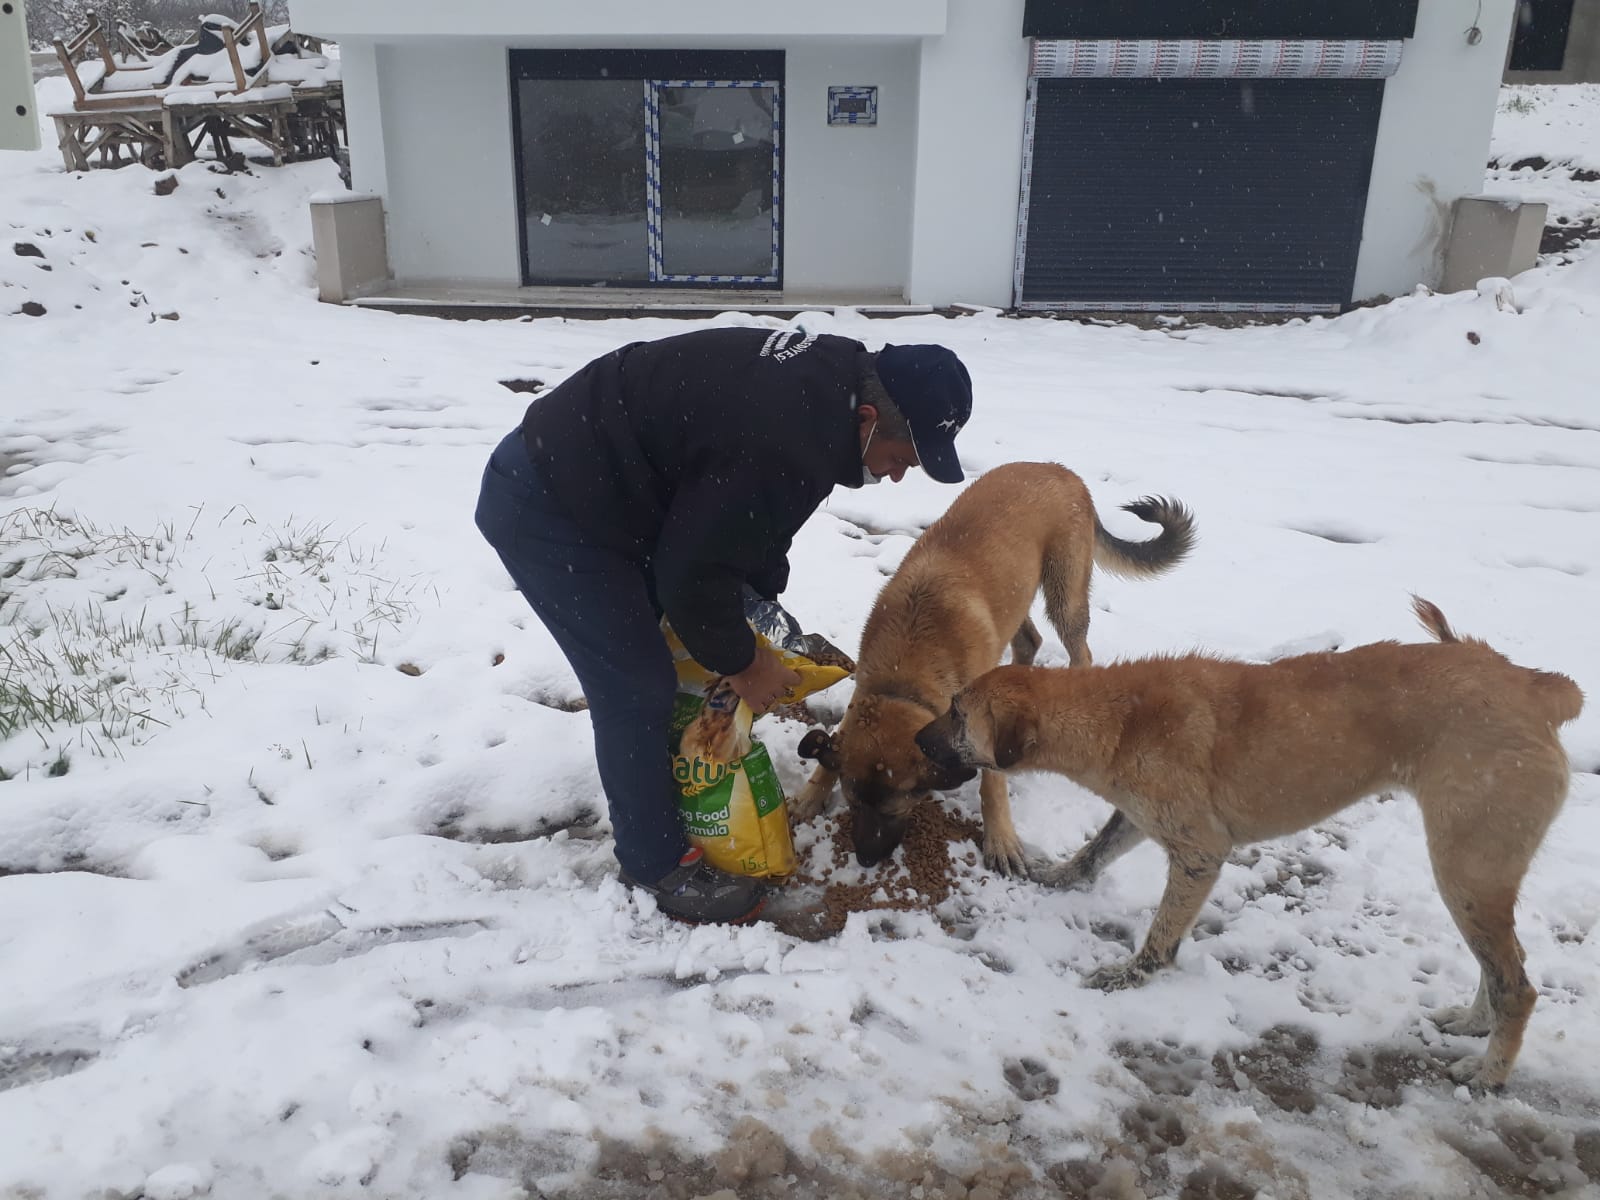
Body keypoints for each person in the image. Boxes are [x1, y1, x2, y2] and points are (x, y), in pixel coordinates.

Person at [474, 326, 973, 924]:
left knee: (682, 643)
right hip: (551, 503)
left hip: (620, 490)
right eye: (900, 459)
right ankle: (655, 863)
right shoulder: (784, 434)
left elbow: (753, 525)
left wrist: (757, 607)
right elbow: (692, 575)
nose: (895, 477)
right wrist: (743, 661)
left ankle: (671, 784)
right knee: (636, 684)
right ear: (868, 418)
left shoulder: (826, 400)